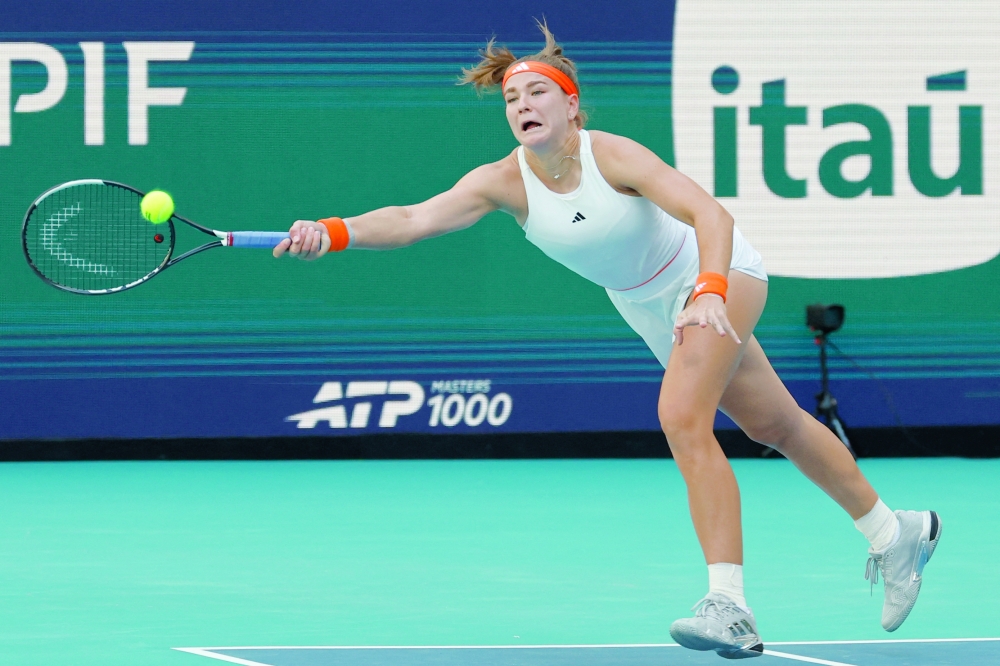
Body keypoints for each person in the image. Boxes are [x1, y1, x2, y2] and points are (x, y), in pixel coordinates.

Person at [273, 22, 942, 660]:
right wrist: (332, 232)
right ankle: (893, 531)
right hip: (644, 302)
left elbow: (709, 213)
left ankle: (728, 604)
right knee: (776, 425)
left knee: (681, 416)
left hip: (716, 272)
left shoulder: (611, 155)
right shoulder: (502, 181)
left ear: (571, 105)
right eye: (511, 98)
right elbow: (412, 218)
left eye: (537, 92)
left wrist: (709, 290)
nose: (522, 105)